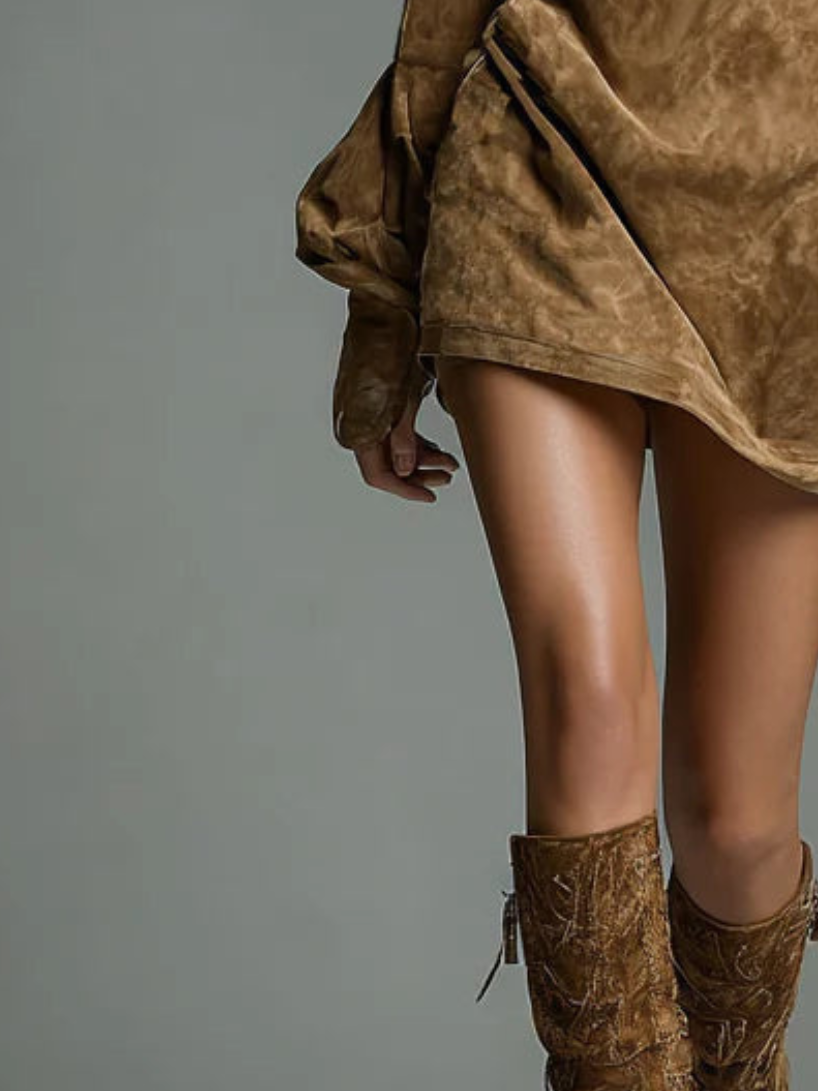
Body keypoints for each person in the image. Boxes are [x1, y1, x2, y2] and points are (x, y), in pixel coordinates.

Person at [294, 0, 818, 1086]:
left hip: (788, 223)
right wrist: (383, 314)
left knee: (735, 821)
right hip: (539, 153)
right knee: (585, 694)